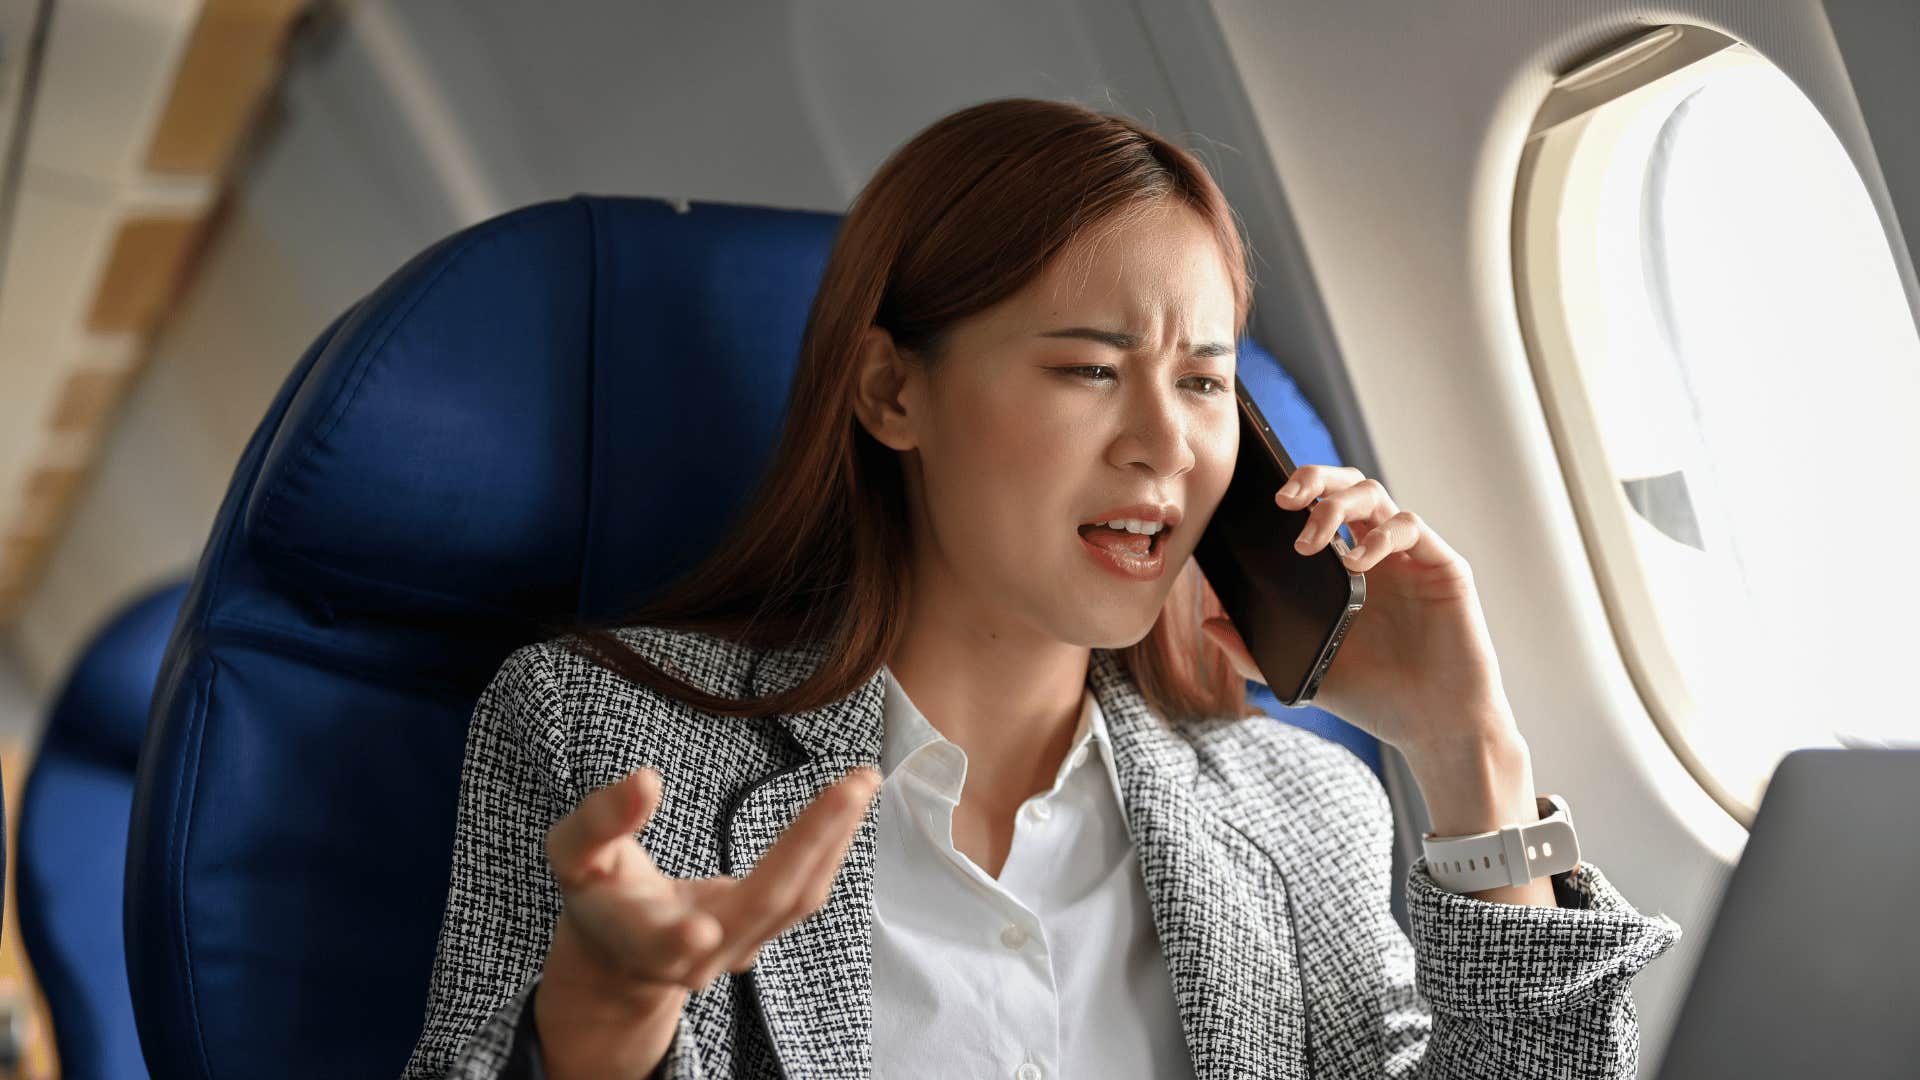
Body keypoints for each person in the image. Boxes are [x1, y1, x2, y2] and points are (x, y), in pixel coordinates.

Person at [400, 97, 1682, 1080]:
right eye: (1089, 369)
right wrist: (598, 1022)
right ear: (893, 392)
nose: (1166, 446)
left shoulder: (1304, 807)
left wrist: (1470, 759)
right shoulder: (596, 734)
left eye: (1199, 381)